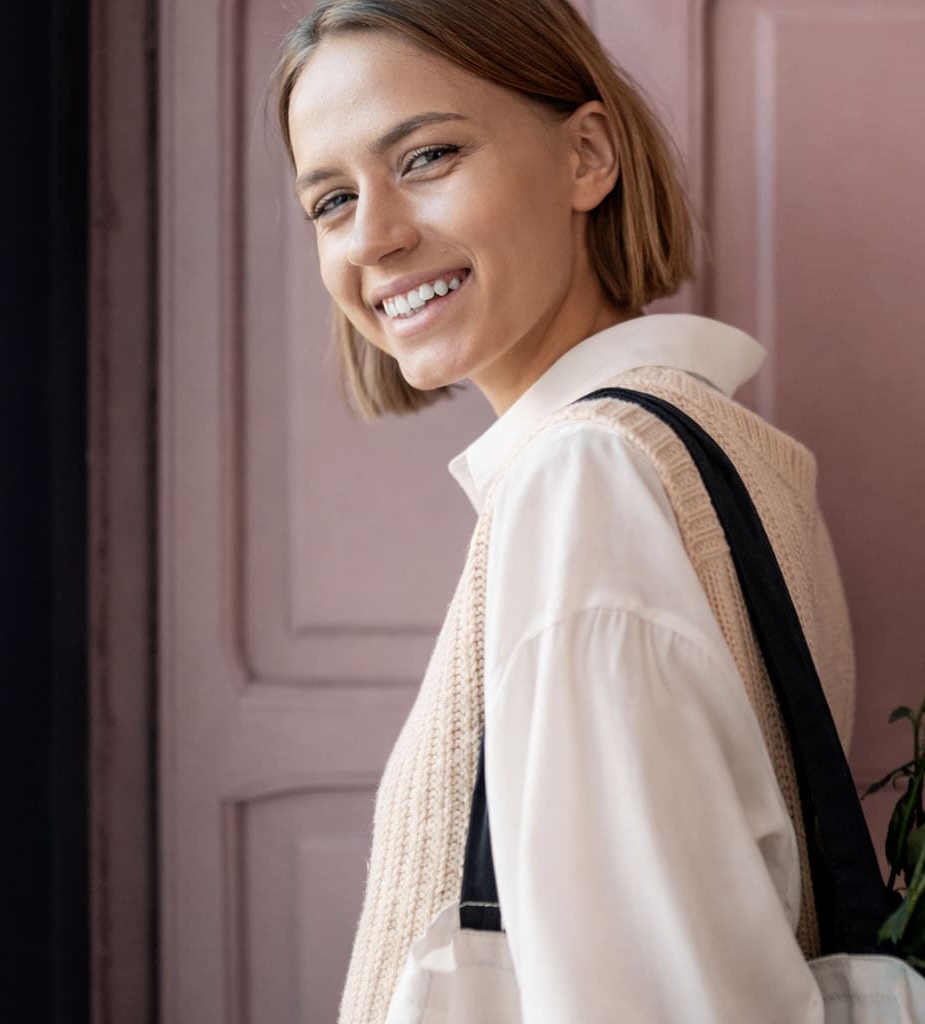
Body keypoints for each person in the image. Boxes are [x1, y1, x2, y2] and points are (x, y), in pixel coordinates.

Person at [271, 2, 858, 1021]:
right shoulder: (711, 449)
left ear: (586, 156)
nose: (374, 237)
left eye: (426, 156)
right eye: (329, 200)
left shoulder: (587, 480)